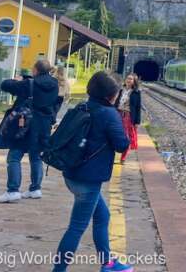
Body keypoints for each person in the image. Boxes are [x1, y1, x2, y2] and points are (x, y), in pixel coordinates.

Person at [52, 71, 132, 272]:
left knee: (103, 216)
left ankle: (108, 263)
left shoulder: (81, 106)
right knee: (76, 228)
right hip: (88, 180)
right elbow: (122, 145)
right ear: (111, 95)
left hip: (72, 172)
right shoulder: (108, 114)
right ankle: (58, 270)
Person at [0, 58, 59, 203]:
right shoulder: (55, 84)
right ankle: (35, 189)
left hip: (26, 125)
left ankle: (13, 190)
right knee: (36, 157)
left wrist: (16, 80)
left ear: (35, 69)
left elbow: (5, 85)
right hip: (44, 125)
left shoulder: (28, 84)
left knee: (14, 156)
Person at [117, 74, 142, 163]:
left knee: (126, 137)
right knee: (114, 134)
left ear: (134, 81)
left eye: (131, 79)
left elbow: (138, 107)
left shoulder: (136, 92)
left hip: (128, 116)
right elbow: (115, 102)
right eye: (128, 78)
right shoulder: (120, 90)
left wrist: (137, 121)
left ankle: (123, 157)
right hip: (118, 114)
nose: (128, 80)